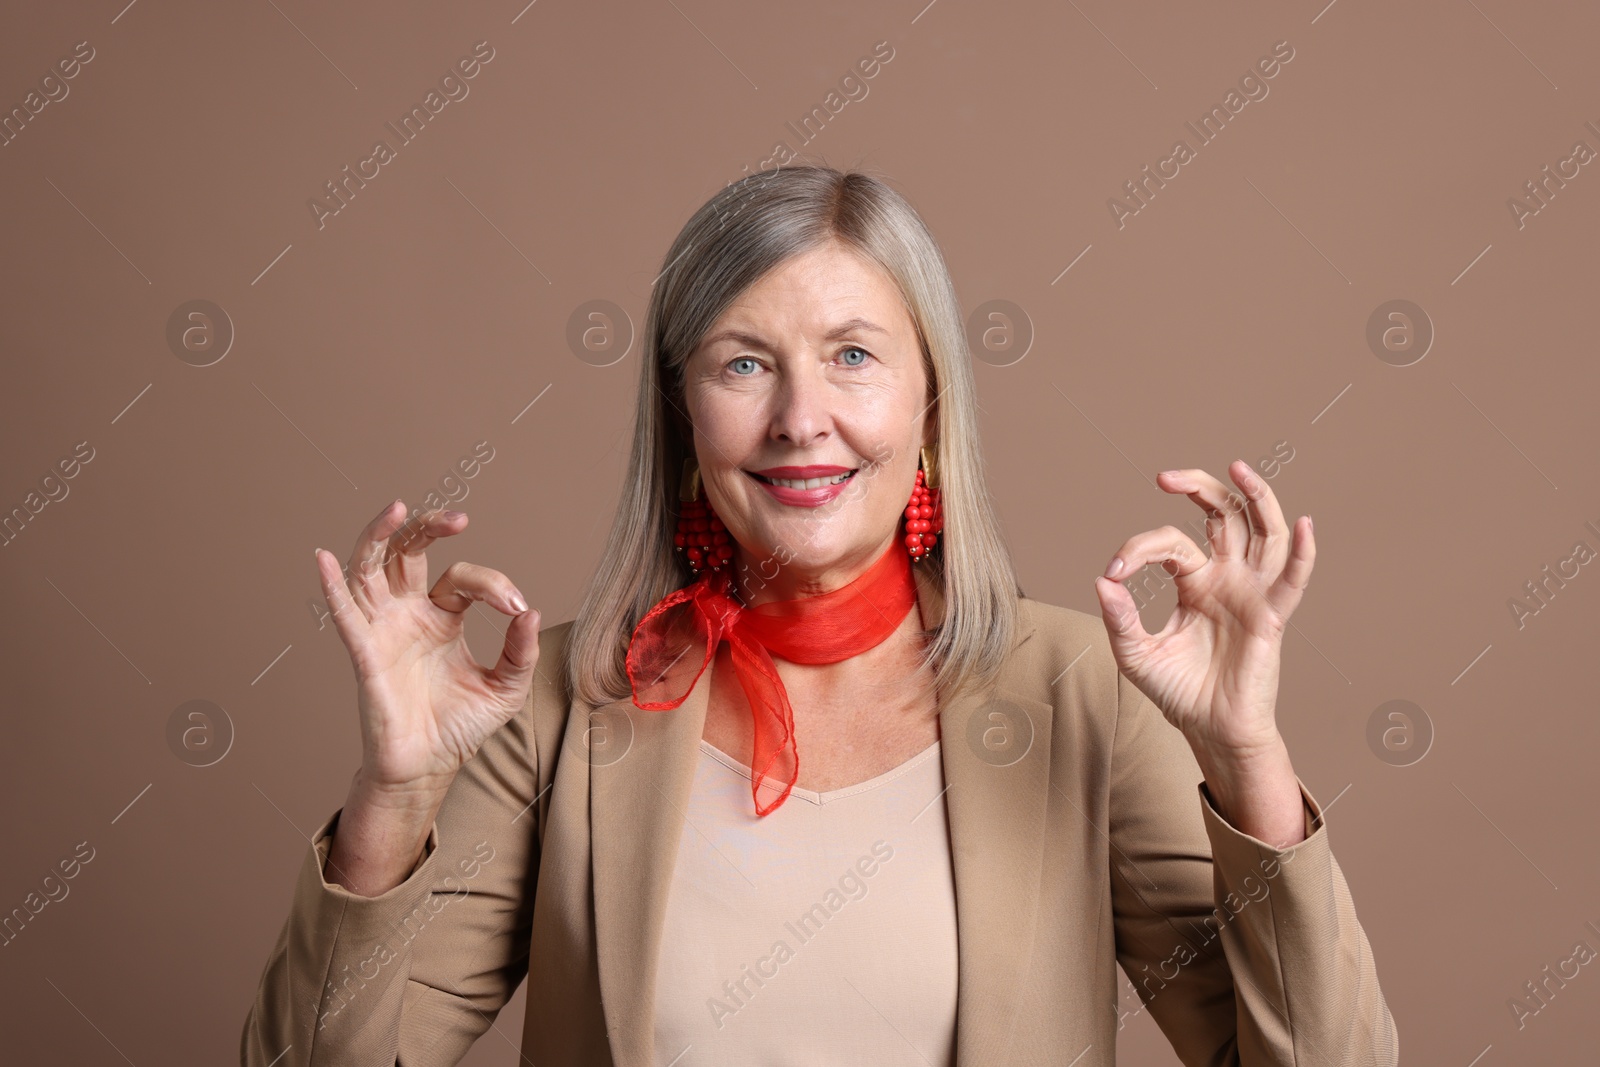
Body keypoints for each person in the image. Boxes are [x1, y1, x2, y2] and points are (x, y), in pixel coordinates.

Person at [240, 165, 1397, 1066]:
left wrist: (1246, 758)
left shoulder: (1084, 689)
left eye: (852, 356)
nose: (802, 418)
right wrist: (392, 791)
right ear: (681, 415)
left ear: (930, 403)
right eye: (744, 365)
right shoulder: (548, 703)